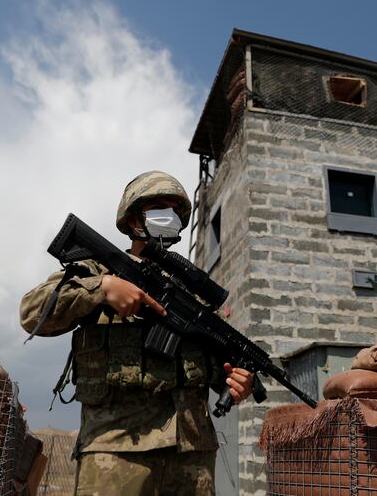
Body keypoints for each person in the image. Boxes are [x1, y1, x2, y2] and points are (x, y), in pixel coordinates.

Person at [20, 171, 253, 496]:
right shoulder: (97, 270)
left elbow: (212, 368)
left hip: (192, 454)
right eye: (159, 206)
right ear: (132, 220)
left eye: (175, 210)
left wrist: (236, 382)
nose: (169, 216)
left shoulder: (192, 293)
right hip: (116, 448)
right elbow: (32, 313)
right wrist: (101, 289)